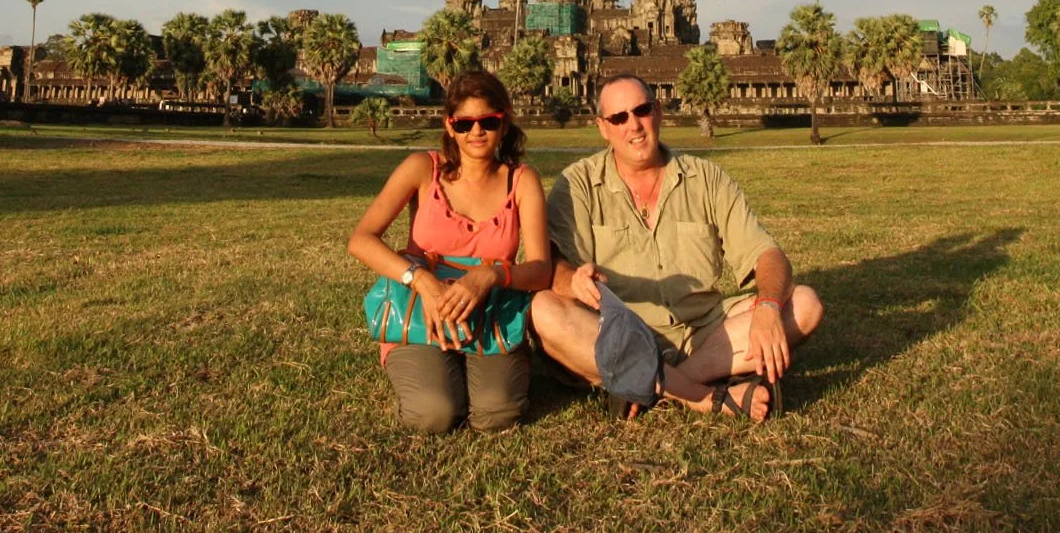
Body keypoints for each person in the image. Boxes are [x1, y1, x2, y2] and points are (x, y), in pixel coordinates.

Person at [531, 73, 824, 420]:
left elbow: (767, 254)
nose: (634, 125)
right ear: (602, 127)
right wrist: (572, 279)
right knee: (542, 309)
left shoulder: (706, 179)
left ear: (658, 112)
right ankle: (700, 394)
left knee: (804, 304)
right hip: (620, 333)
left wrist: (769, 306)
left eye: (641, 110)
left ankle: (656, 385)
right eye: (619, 117)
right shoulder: (578, 184)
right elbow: (553, 264)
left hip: (702, 332)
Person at [348, 71, 553, 433]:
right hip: (421, 311)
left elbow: (540, 269)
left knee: (496, 415)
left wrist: (491, 275)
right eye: (464, 124)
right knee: (434, 415)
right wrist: (422, 280)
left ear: (504, 124)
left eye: (488, 121)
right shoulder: (422, 169)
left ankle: (472, 369)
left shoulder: (521, 181)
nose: (476, 132)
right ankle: (436, 371)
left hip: (490, 313)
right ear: (449, 125)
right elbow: (362, 239)